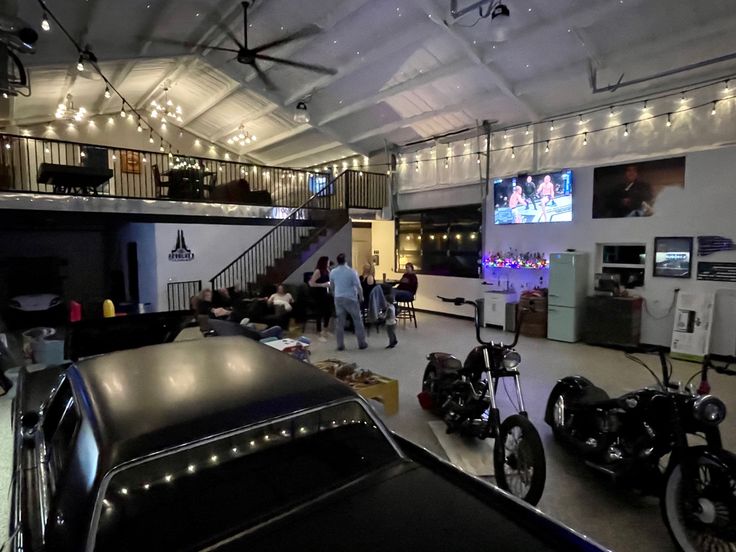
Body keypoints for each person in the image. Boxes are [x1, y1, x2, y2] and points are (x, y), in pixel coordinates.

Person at [329, 253, 367, 351]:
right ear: (346, 260)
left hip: (338, 298)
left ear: (337, 261)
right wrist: (361, 297)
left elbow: (332, 285)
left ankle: (340, 345)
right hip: (350, 298)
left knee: (340, 322)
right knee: (357, 320)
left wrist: (334, 294)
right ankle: (361, 343)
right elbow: (358, 286)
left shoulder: (333, 272)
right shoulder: (352, 272)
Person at [309, 255, 332, 342]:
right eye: (328, 261)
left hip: (325, 293)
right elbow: (311, 283)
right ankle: (319, 332)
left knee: (328, 312)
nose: (329, 263)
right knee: (319, 312)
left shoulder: (327, 270)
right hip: (318, 293)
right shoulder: (318, 271)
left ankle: (325, 330)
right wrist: (322, 285)